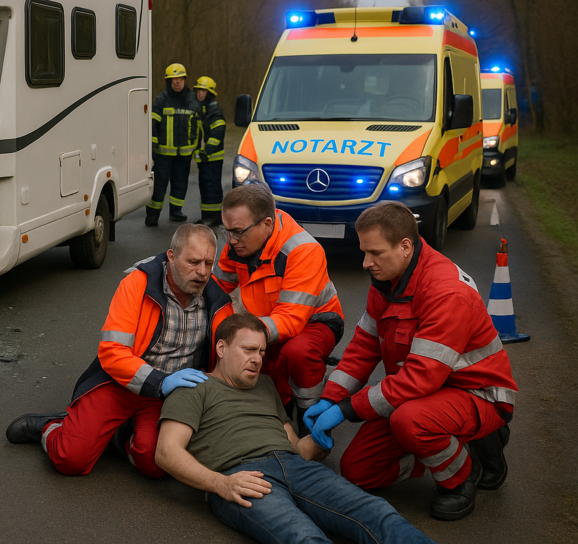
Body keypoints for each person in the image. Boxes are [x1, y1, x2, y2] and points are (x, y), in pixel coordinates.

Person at [304, 201, 518, 521]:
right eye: (364, 252)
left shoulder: (446, 292)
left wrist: (345, 410)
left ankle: (462, 475)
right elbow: (363, 348)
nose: (366, 263)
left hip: (477, 394)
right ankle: (451, 443)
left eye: (375, 253)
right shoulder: (387, 283)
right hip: (421, 396)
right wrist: (330, 398)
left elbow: (420, 378)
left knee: (409, 421)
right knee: (358, 471)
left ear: (405, 247)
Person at [156, 312, 436, 544]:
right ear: (221, 348)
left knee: (378, 513)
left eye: (261, 351)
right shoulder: (193, 387)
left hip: (295, 466)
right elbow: (166, 452)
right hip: (241, 475)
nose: (257, 359)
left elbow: (295, 446)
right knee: (303, 537)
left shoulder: (265, 384)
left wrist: (318, 439)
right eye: (248, 350)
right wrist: (220, 483)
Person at [6, 224, 233, 476]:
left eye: (208, 263)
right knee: (70, 459)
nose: (202, 272)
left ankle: (117, 433)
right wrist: (159, 381)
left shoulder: (218, 301)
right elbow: (112, 351)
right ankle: (52, 426)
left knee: (157, 463)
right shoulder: (138, 283)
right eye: (193, 262)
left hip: (167, 396)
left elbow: (224, 361)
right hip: (120, 383)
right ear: (171, 256)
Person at [212, 184, 344, 433]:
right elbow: (215, 288)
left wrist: (242, 336)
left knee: (297, 353)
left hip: (315, 322)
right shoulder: (239, 242)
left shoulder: (303, 250)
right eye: (227, 231)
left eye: (238, 232)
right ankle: (277, 407)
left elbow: (291, 320)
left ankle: (310, 415)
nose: (231, 240)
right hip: (266, 322)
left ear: (267, 224)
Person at [147, 63, 201, 226]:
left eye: (180, 79)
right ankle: (152, 215)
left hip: (184, 155)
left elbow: (198, 126)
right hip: (163, 155)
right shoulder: (161, 100)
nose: (177, 82)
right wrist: (153, 148)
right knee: (159, 186)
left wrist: (196, 148)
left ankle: (176, 212)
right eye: (174, 79)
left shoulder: (192, 99)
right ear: (168, 81)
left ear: (184, 80)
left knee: (180, 184)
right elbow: (152, 125)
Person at [192, 76, 225, 226]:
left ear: (210, 93)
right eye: (198, 90)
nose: (200, 94)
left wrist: (207, 151)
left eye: (203, 91)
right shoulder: (203, 109)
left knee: (212, 187)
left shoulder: (214, 111)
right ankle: (206, 216)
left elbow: (218, 133)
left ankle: (214, 217)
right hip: (206, 158)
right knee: (205, 186)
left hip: (212, 158)